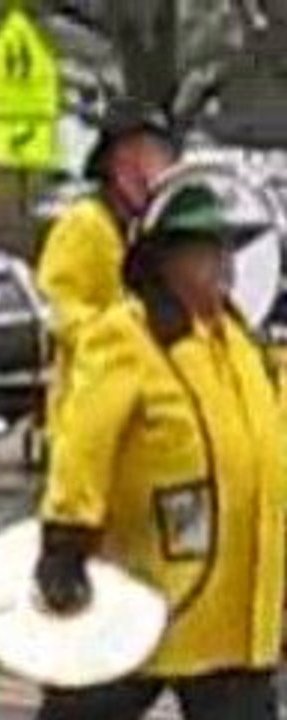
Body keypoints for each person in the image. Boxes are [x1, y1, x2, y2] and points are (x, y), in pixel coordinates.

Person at [34, 184, 285, 720]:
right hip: (147, 585)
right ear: (164, 261)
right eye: (206, 251)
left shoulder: (239, 342)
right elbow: (85, 440)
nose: (224, 266)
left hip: (234, 606)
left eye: (226, 250)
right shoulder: (126, 335)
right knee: (85, 708)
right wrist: (67, 537)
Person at [36, 97, 178, 439]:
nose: (164, 168)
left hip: (138, 413)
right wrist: (114, 334)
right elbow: (53, 308)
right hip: (89, 413)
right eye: (153, 155)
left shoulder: (144, 231)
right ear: (122, 163)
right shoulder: (84, 225)